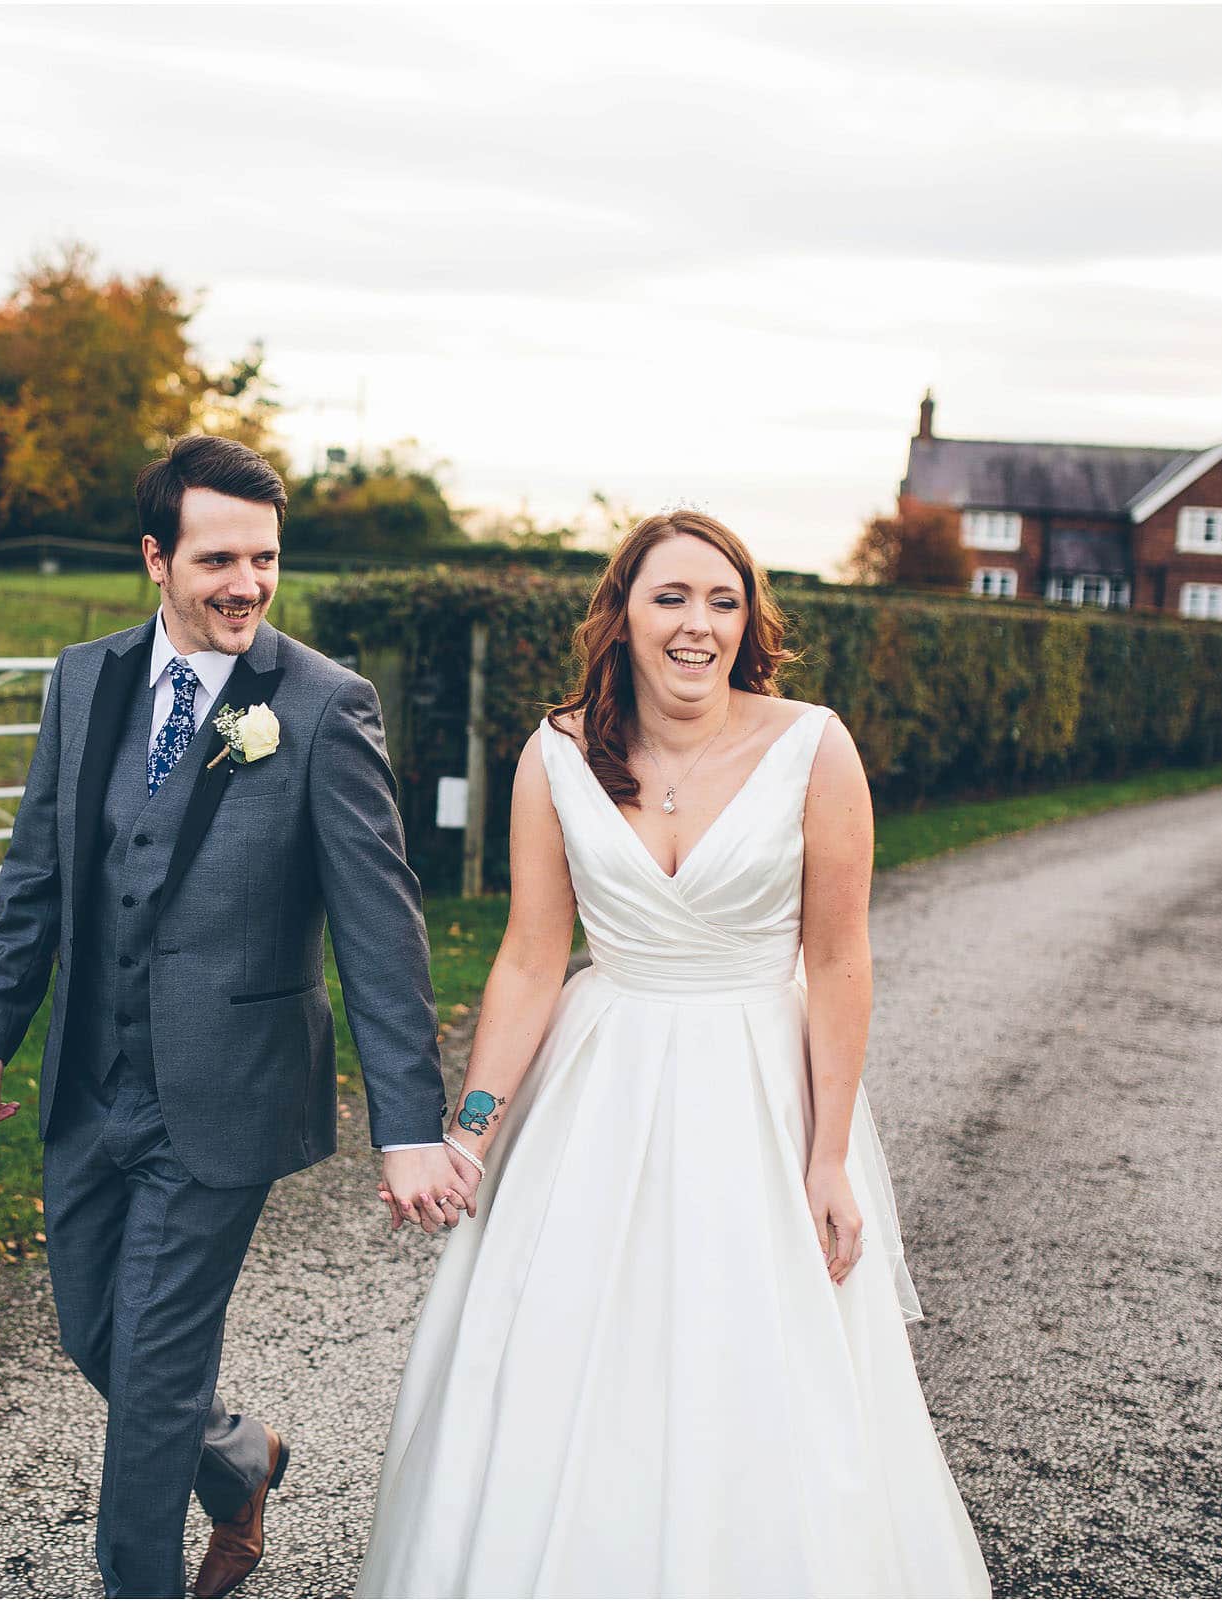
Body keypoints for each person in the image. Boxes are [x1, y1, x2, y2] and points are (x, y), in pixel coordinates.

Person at [357, 511, 991, 1597]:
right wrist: (471, 1126)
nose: (697, 623)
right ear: (622, 615)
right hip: (600, 1081)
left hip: (757, 1083)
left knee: (755, 1358)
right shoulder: (557, 751)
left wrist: (829, 1154)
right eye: (671, 597)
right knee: (562, 1349)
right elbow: (528, 956)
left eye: (723, 601)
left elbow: (839, 962)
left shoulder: (813, 744)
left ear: (748, 625)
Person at [0, 435, 470, 1599]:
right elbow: (35, 868)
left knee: (149, 1373)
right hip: (89, 1081)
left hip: (226, 1090)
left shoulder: (326, 706)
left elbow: (380, 930)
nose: (247, 584)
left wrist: (409, 1122)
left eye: (267, 558)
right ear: (156, 558)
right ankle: (240, 1457)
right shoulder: (83, 679)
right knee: (96, 1332)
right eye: (220, 558)